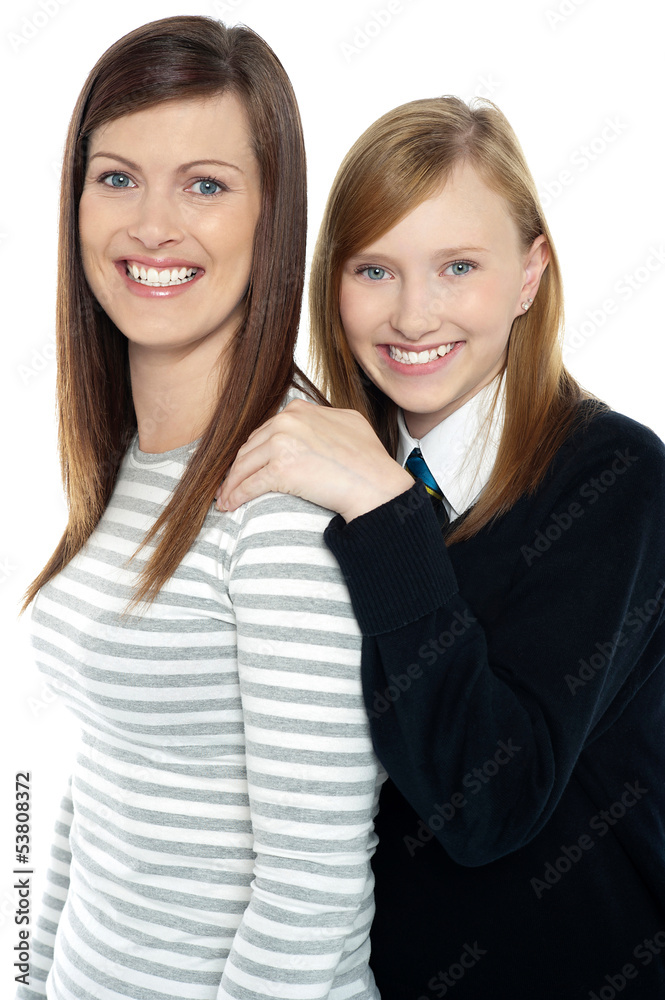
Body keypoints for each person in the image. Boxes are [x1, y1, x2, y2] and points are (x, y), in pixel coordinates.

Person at [217, 96, 665, 998]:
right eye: (373, 270)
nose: (413, 316)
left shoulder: (616, 479)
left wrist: (388, 516)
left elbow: (486, 803)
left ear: (530, 275)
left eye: (457, 266)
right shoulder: (335, 468)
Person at [18, 16, 384, 1000]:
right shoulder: (129, 462)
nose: (151, 224)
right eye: (117, 176)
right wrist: (31, 973)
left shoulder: (282, 493)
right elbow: (98, 787)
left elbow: (310, 895)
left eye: (207, 185)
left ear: (273, 218)